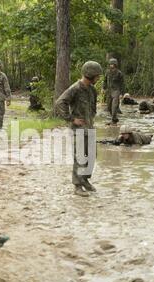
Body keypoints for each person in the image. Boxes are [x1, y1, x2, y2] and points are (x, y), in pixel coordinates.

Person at [55, 61, 102, 197]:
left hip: (90, 127)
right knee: (80, 156)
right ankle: (77, 185)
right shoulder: (75, 88)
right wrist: (71, 118)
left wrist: (91, 118)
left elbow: (93, 108)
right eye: (97, 76)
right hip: (78, 129)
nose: (98, 79)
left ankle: (85, 180)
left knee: (92, 155)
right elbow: (60, 102)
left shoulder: (92, 89)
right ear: (90, 75)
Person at [103, 58, 124, 124]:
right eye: (110, 64)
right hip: (109, 90)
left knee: (114, 105)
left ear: (115, 65)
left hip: (116, 90)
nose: (111, 65)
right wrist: (103, 88)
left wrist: (121, 93)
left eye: (112, 64)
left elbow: (122, 84)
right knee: (109, 106)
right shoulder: (107, 72)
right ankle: (114, 118)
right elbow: (105, 80)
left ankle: (113, 119)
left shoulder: (119, 73)